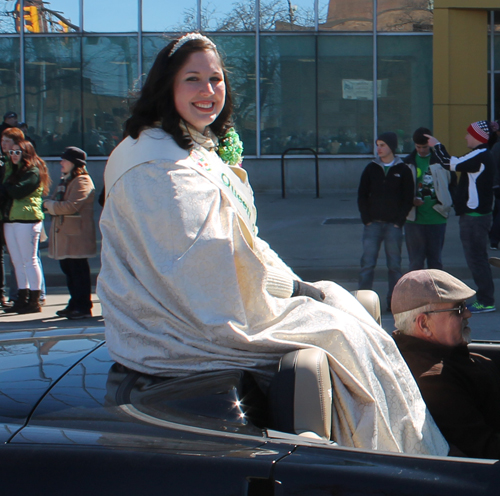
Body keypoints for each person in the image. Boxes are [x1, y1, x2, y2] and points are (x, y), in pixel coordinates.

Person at [97, 33, 448, 456]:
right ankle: (392, 459)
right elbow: (202, 270)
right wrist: (290, 290)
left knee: (342, 303)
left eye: (216, 79)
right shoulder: (157, 166)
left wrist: (300, 287)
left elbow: (246, 242)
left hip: (225, 299)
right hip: (187, 323)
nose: (209, 91)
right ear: (166, 86)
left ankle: (414, 449)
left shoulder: (186, 146)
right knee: (343, 334)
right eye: (193, 79)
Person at [392, 269, 500, 459]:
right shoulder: (435, 380)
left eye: (464, 306)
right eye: (458, 309)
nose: (467, 314)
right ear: (424, 324)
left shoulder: (446, 356)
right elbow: (485, 450)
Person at [426, 122, 496, 313]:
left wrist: (436, 145)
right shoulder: (482, 154)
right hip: (475, 215)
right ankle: (485, 298)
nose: (465, 137)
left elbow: (450, 163)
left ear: (478, 137)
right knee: (477, 258)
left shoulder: (479, 154)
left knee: (476, 259)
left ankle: (486, 300)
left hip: (474, 217)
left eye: (468, 134)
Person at [357, 131, 414, 311]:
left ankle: (394, 302)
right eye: (377, 144)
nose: (378, 148)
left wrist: (399, 222)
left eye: (382, 145)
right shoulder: (371, 168)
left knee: (394, 266)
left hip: (393, 226)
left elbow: (408, 197)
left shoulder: (403, 169)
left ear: (391, 147)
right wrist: (366, 219)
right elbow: (362, 195)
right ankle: (363, 304)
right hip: (372, 224)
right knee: (367, 265)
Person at [43, 147, 96, 320]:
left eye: (65, 160)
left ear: (75, 163)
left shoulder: (82, 181)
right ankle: (74, 303)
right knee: (69, 270)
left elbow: (70, 206)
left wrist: (50, 206)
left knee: (78, 272)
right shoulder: (65, 181)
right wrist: (51, 204)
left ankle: (83, 306)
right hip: (66, 235)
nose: (61, 163)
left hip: (77, 236)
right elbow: (56, 201)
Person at [0, 140, 51, 314]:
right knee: (17, 262)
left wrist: (6, 186)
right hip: (11, 219)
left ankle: (35, 299)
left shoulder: (33, 172)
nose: (13, 156)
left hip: (27, 220)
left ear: (26, 154)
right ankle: (22, 297)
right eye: (11, 152)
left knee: (29, 260)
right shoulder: (11, 171)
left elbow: (17, 191)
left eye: (17, 152)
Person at [403, 127, 455, 271]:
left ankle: (435, 292)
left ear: (430, 144)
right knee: (415, 263)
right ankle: (416, 293)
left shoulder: (442, 161)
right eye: (418, 147)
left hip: (437, 217)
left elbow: (453, 184)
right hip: (414, 219)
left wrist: (449, 204)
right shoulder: (407, 162)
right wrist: (410, 200)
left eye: (424, 147)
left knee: (435, 263)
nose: (421, 150)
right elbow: (400, 190)